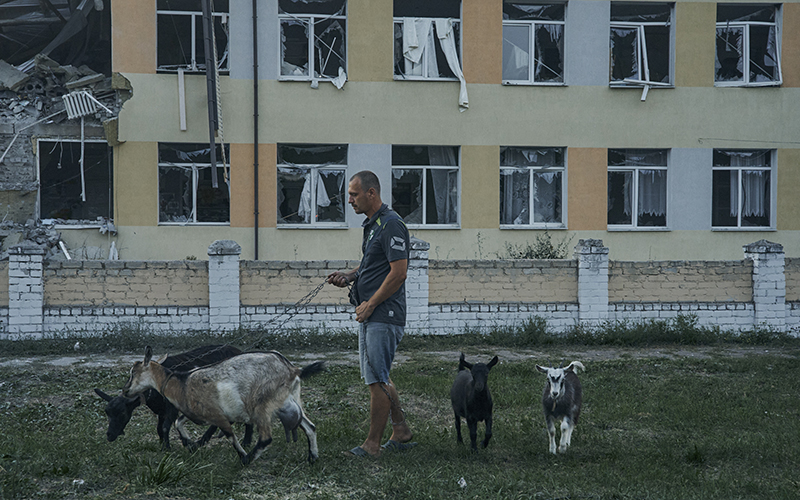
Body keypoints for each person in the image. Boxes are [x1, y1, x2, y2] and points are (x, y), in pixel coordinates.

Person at [327, 170, 416, 457]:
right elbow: (372, 266)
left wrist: (371, 304)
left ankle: (373, 445)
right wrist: (349, 276)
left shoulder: (391, 225)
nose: (349, 199)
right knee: (381, 376)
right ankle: (400, 431)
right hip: (373, 314)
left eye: (353, 194)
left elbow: (399, 273)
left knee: (376, 381)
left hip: (383, 314)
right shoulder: (374, 225)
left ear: (371, 193)